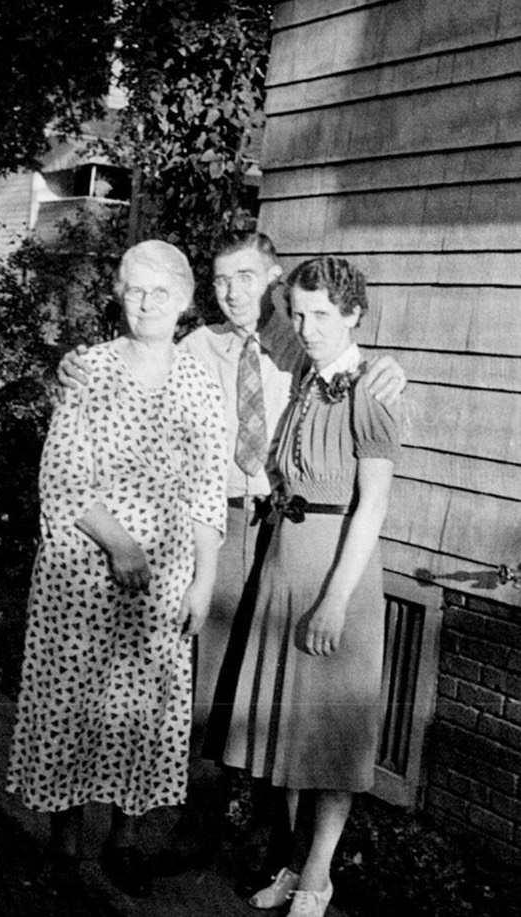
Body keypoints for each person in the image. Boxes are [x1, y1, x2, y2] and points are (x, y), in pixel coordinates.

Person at [58, 231, 406, 745]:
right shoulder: (198, 346)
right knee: (212, 667)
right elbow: (143, 367)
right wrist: (73, 369)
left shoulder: (303, 343)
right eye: (221, 281)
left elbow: (354, 370)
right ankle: (201, 801)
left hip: (286, 523)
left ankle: (254, 809)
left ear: (273, 279)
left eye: (245, 277)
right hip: (222, 522)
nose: (233, 292)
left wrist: (392, 370)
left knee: (272, 672)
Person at [6, 240, 227, 897]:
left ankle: (124, 842)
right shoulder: (93, 369)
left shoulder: (199, 384)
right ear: (119, 295)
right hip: (82, 574)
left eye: (161, 291)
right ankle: (65, 844)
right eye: (135, 289)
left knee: (146, 710)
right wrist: (120, 544)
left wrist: (204, 579)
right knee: (69, 704)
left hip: (164, 583)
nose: (147, 302)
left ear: (187, 300)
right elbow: (63, 475)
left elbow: (208, 489)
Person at [219, 254, 400, 917]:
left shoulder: (372, 391)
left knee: (329, 742)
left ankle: (318, 878)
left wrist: (333, 599)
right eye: (298, 312)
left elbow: (373, 506)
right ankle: (293, 864)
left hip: (337, 574)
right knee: (286, 736)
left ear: (353, 312)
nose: (307, 325)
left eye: (322, 313)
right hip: (282, 562)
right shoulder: (303, 379)